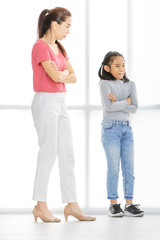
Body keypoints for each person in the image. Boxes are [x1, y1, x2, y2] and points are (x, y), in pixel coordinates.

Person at [31, 7, 95, 222]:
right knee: (47, 153)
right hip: (45, 101)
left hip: (62, 101)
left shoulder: (59, 48)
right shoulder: (40, 47)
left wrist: (63, 75)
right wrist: (63, 75)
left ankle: (72, 204)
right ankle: (40, 205)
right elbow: (55, 76)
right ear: (54, 24)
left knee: (68, 154)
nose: (69, 31)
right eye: (67, 26)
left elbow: (71, 76)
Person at [99, 51, 144, 217]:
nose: (121, 68)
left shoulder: (130, 84)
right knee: (113, 168)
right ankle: (113, 204)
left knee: (129, 168)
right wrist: (126, 101)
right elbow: (109, 108)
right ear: (107, 67)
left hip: (127, 128)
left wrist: (117, 102)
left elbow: (135, 107)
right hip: (110, 128)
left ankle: (129, 204)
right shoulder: (105, 84)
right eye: (117, 65)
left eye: (123, 65)